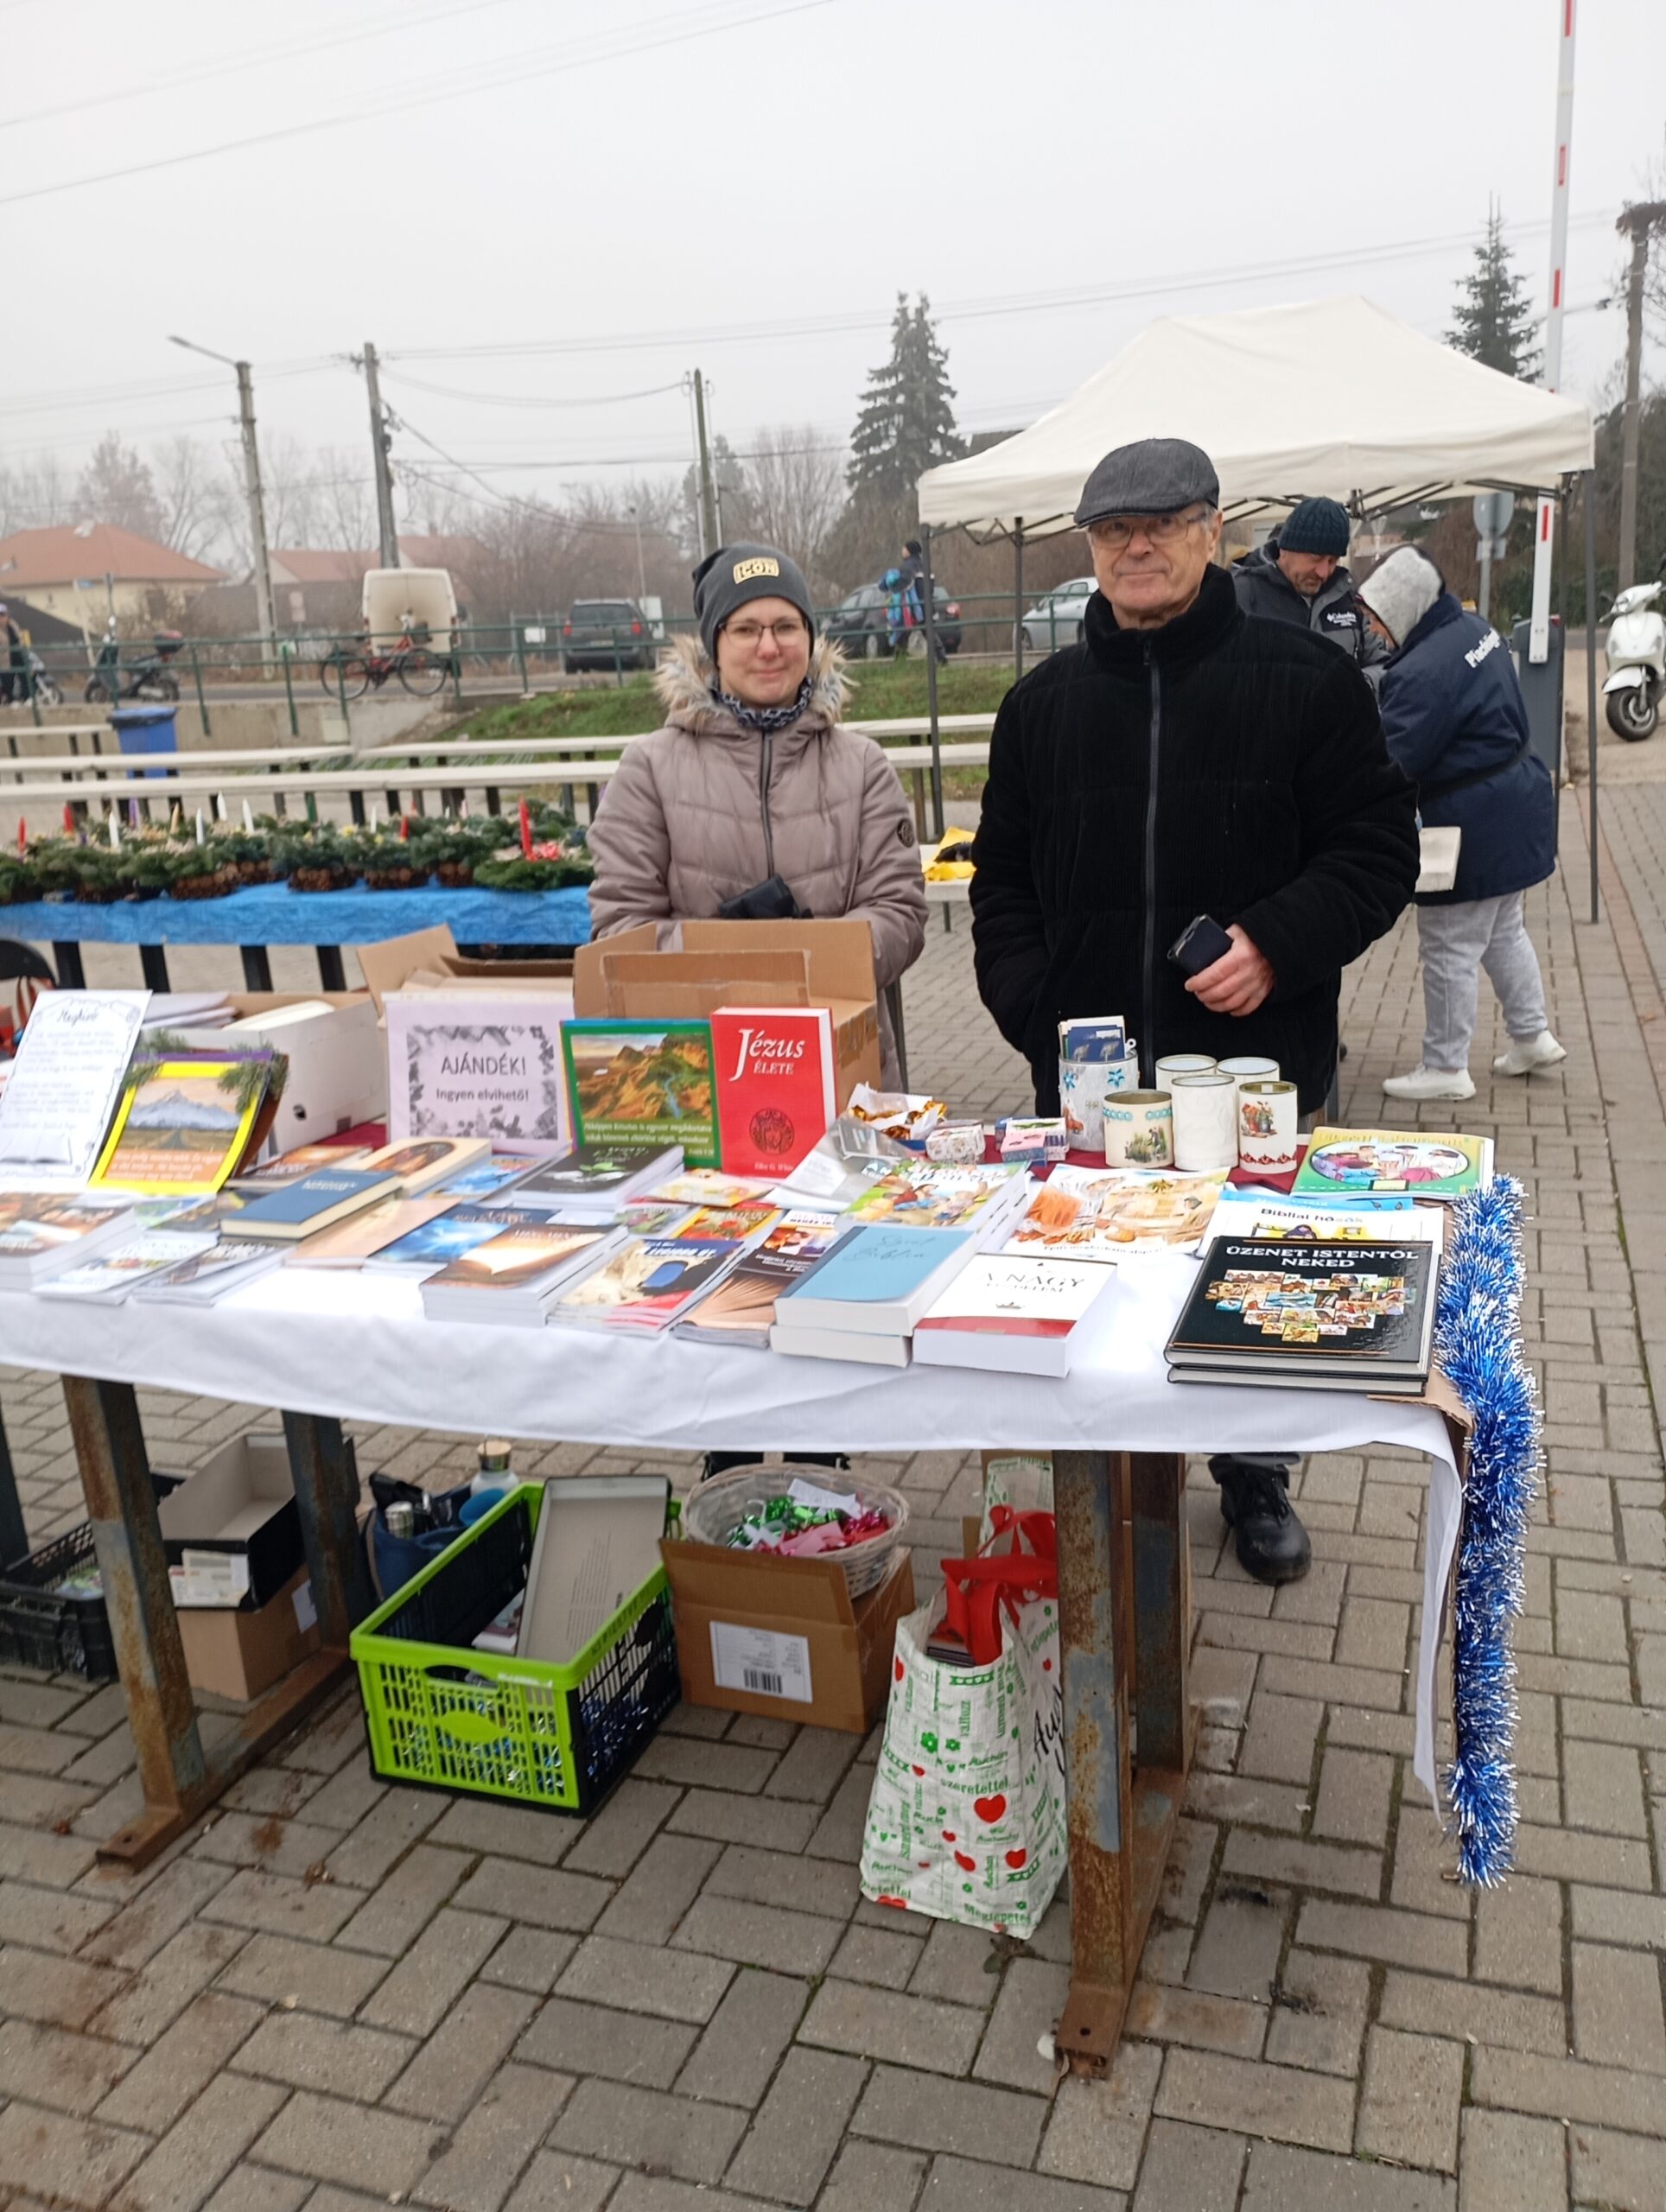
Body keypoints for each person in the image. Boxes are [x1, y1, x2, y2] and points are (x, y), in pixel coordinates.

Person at [970, 437, 1420, 1583]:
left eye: (1162, 524)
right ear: (1089, 549)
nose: (1137, 546)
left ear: (1213, 532)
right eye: (1113, 530)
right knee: (1098, 1285)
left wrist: (1276, 940)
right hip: (1093, 1087)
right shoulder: (1039, 707)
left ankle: (1253, 1470)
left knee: (1252, 1281)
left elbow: (1377, 850)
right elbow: (1000, 882)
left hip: (1252, 1073)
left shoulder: (1303, 680)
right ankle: (1102, 1473)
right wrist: (1032, 1010)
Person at [588, 540, 927, 1090]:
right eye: (746, 629)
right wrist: (744, 964)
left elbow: (900, 913)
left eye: (786, 626)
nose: (769, 647)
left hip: (844, 1071)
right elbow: (620, 927)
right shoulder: (648, 768)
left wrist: (804, 960)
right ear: (714, 645)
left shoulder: (864, 766)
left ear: (809, 638)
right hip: (698, 1078)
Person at [1357, 545, 1563, 1102]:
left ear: (1402, 609)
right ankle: (1532, 1035)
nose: (1372, 629)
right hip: (1515, 804)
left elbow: (1393, 762)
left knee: (1448, 944)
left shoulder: (1423, 672)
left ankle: (1446, 1066)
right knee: (1504, 930)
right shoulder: (1474, 628)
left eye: (1376, 617)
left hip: (1472, 822)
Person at [1230, 498, 1389, 682]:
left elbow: (1384, 665)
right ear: (1285, 550)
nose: (1323, 572)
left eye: (1332, 561)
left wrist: (1355, 685)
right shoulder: (1241, 593)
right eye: (1316, 558)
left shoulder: (1348, 595)